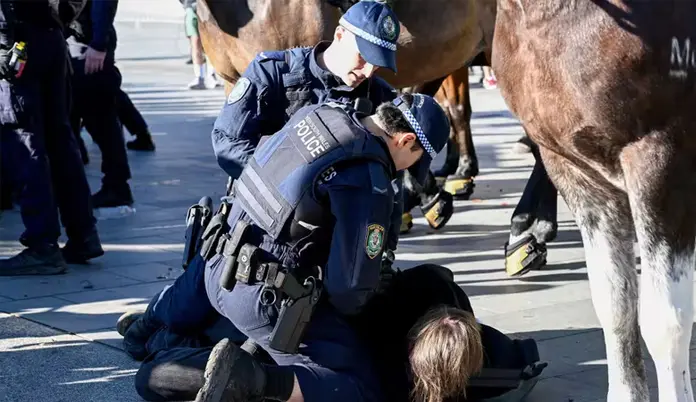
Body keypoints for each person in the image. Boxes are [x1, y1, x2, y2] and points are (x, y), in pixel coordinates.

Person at [118, 91, 452, 402]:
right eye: (414, 160)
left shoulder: (319, 113)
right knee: (359, 386)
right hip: (260, 299)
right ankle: (252, 378)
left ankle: (165, 344)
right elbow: (348, 290)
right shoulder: (368, 177)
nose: (406, 170)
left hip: (213, 267)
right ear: (405, 140)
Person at [124, 263, 546, 402]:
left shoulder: (433, 296)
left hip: (292, 328)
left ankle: (152, 333)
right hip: (300, 334)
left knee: (166, 362)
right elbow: (519, 361)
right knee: (157, 371)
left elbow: (519, 358)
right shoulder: (393, 376)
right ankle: (154, 335)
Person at [210, 0, 453, 239]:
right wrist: (290, 184)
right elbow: (227, 143)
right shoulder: (273, 73)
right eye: (363, 57)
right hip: (258, 225)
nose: (368, 71)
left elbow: (390, 181)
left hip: (333, 240)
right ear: (339, 35)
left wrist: (385, 246)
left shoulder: (379, 96)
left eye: (377, 63)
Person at [0, 0, 104, 275]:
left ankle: (43, 245)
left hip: (19, 42)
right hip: (50, 36)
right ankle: (83, 235)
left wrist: (3, 44)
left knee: (24, 144)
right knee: (60, 141)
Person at [67, 0, 136, 212]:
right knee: (94, 118)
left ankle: (116, 186)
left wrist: (98, 43)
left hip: (87, 45)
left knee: (101, 119)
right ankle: (114, 185)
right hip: (80, 41)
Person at [181, 0, 219, 90]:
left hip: (208, 9)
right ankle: (199, 77)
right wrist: (186, 5)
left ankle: (211, 75)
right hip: (192, 8)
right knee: (195, 43)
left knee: (209, 42)